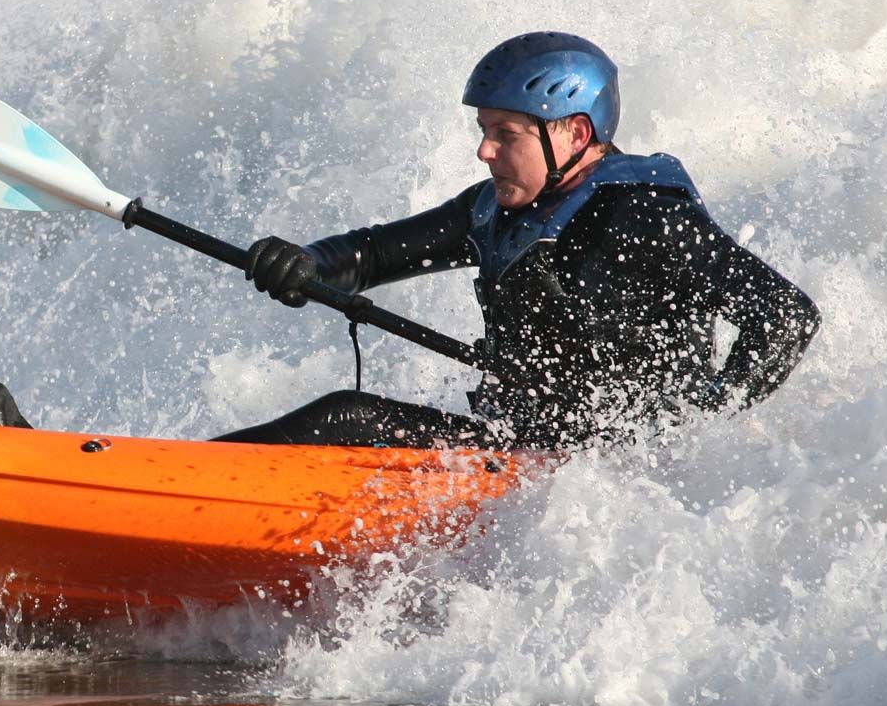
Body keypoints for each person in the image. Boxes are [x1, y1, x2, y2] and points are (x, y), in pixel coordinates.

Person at [206, 31, 821, 450]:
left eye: (506, 133)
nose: (485, 151)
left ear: (575, 133)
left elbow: (787, 316)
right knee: (341, 419)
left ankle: (159, 490)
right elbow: (369, 255)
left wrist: (698, 426)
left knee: (345, 418)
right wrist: (303, 263)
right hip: (515, 446)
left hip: (597, 472)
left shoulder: (644, 215)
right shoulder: (494, 211)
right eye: (483, 130)